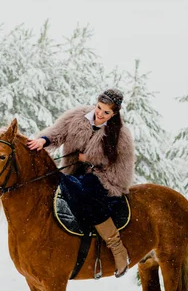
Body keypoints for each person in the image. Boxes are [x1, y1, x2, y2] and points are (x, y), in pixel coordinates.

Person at [27, 88, 135, 277]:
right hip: (72, 172)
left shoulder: (120, 135)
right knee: (60, 184)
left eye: (106, 112)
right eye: (99, 108)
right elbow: (57, 133)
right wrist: (43, 140)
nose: (100, 114)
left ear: (115, 113)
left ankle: (116, 247)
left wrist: (90, 159)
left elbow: (121, 167)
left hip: (104, 178)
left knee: (84, 190)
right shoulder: (76, 117)